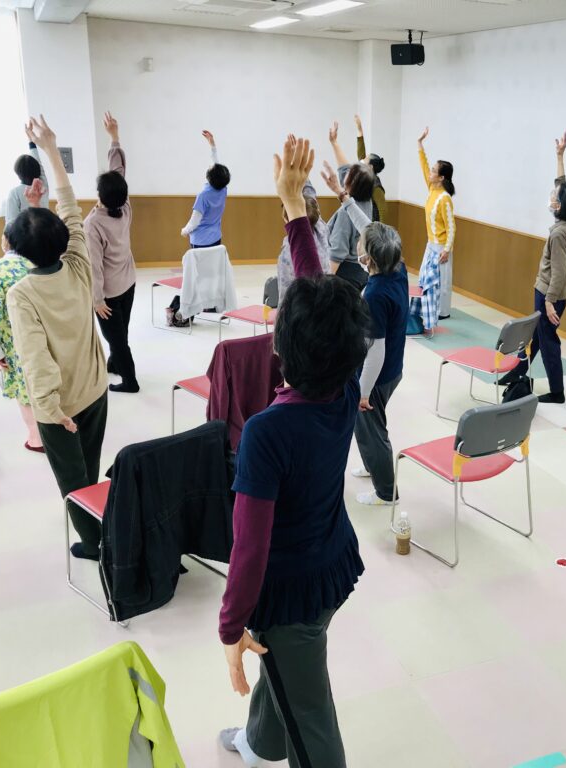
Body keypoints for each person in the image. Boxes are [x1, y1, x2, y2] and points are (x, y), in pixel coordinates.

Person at [218, 135, 367, 768]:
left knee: (312, 715)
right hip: (329, 562)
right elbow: (317, 293)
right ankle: (260, 742)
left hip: (291, 589)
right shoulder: (344, 384)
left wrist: (230, 628)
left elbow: (249, 549)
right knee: (284, 668)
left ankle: (285, 743)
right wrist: (294, 211)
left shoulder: (267, 432)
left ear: (283, 349)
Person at [6, 115, 109, 561]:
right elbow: (70, 211)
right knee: (90, 464)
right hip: (95, 389)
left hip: (61, 405)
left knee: (72, 478)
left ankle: (96, 543)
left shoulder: (21, 293)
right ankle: (101, 520)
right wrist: (50, 149)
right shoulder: (78, 265)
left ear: (18, 252)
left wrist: (49, 410)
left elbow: (36, 359)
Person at [321, 161, 408, 506]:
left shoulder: (374, 294)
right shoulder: (397, 268)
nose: (359, 241)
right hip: (391, 367)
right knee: (369, 425)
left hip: (380, 372)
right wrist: (343, 197)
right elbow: (368, 227)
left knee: (371, 426)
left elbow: (375, 350)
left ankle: (387, 492)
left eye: (361, 244)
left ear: (367, 259)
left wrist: (363, 391)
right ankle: (374, 466)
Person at [498, 132, 566, 404]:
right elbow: (562, 184)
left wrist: (548, 302)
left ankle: (557, 392)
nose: (551, 196)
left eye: (554, 196)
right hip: (552, 294)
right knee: (534, 336)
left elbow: (557, 272)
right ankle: (517, 372)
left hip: (549, 294)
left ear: (560, 205)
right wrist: (560, 156)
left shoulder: (558, 234)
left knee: (547, 342)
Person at [84, 111, 139, 394]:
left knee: (117, 339)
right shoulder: (125, 205)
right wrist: (114, 137)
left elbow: (93, 265)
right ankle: (116, 363)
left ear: (100, 196)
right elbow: (118, 171)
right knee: (121, 331)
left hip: (109, 293)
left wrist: (96, 300)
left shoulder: (93, 223)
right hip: (128, 282)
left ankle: (130, 382)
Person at [0, 217, 42, 452]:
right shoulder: (39, 264)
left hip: (14, 340)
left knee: (23, 387)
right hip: (43, 335)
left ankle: (37, 437)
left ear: (7, 241)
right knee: (42, 383)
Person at [326, 121, 376, 291]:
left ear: (351, 185)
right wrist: (334, 143)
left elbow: (337, 252)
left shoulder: (346, 213)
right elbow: (344, 169)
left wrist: (323, 286)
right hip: (360, 271)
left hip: (344, 273)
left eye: (349, 175)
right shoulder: (366, 200)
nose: (345, 174)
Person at [416, 126, 456, 328]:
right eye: (432, 169)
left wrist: (447, 250)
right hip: (430, 243)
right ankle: (428, 307)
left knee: (442, 280)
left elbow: (452, 227)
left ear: (441, 177)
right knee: (426, 277)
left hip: (441, 246)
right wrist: (420, 144)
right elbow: (424, 167)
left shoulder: (444, 198)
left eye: (434, 170)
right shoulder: (432, 188)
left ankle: (442, 312)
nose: (430, 172)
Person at [276, 180, 331, 305]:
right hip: (327, 301)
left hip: (305, 307)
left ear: (286, 219)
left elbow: (284, 296)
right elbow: (310, 194)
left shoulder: (288, 254)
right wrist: (301, 174)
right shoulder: (321, 228)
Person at [180, 129, 230, 247]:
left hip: (200, 241)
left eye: (210, 168)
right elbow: (217, 166)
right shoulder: (223, 189)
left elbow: (195, 221)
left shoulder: (203, 196)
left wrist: (184, 231)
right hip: (216, 238)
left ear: (210, 176)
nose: (210, 166)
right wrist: (212, 144)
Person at [4, 127, 49, 225]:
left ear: (17, 173)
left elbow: (10, 224)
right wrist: (31, 141)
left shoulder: (15, 192)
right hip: (45, 230)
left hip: (26, 234)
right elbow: (38, 162)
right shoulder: (43, 185)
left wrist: (31, 140)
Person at [354, 114, 387, 223]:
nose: (362, 160)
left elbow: (383, 210)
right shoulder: (365, 177)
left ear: (370, 167)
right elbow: (361, 154)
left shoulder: (376, 185)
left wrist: (379, 229)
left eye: (365, 159)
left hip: (371, 224)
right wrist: (359, 129)